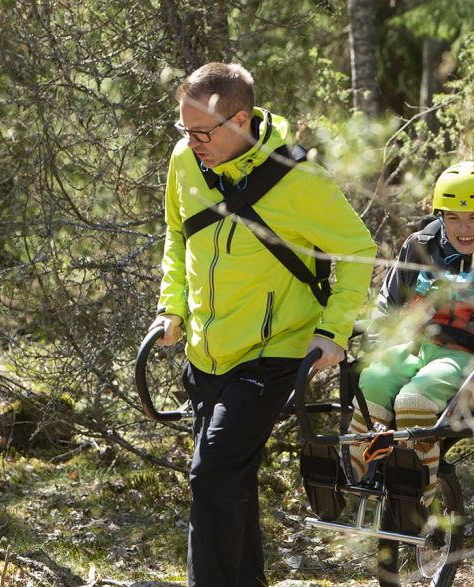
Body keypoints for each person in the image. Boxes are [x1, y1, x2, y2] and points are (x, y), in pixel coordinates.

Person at [149, 62, 376, 587]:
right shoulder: (185, 160)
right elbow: (176, 234)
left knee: (211, 474)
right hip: (207, 351)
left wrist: (333, 333)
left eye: (201, 132)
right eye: (184, 129)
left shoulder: (300, 180)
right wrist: (173, 308)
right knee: (231, 480)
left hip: (275, 352)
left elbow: (360, 249)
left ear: (241, 120)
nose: (191, 142)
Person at [348, 161, 474, 508]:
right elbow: (389, 303)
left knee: (413, 399)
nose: (464, 228)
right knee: (370, 380)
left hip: (470, 357)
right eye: (454, 218)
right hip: (417, 345)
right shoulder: (422, 244)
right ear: (441, 216)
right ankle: (361, 469)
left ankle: (417, 485)